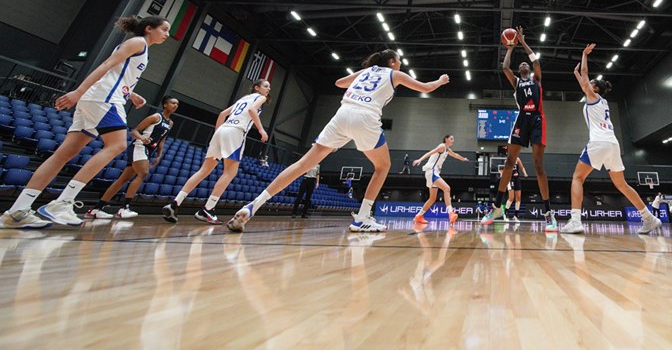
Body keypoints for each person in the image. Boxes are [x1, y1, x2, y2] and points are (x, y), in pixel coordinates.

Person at [226, 49, 449, 233]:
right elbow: (426, 87)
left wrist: (360, 78)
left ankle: (252, 206)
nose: (400, 64)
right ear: (392, 62)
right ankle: (362, 218)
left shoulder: (366, 71)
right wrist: (440, 80)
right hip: (366, 116)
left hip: (342, 114)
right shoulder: (394, 74)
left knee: (302, 164)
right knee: (383, 166)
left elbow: (339, 82)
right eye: (399, 60)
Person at [1, 15, 170, 229]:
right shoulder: (138, 43)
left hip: (98, 97)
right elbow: (106, 65)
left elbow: (117, 74)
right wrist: (78, 91)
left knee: (64, 154)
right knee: (117, 145)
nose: (167, 34)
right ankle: (63, 202)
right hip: (104, 98)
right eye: (164, 29)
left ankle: (17, 211)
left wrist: (131, 94)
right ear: (149, 28)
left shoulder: (141, 49)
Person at [561, 44, 661, 235]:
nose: (586, 82)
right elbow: (583, 80)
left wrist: (584, 55)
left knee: (577, 177)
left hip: (599, 142)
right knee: (622, 184)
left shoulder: (593, 96)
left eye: (590, 82)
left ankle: (575, 221)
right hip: (613, 144)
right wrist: (576, 74)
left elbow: (585, 74)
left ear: (595, 88)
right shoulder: (602, 101)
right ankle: (649, 218)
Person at [162, 80, 270, 224]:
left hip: (222, 130)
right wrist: (261, 130)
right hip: (236, 132)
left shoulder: (244, 98)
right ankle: (208, 209)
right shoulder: (260, 98)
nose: (268, 89)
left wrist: (218, 133)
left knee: (203, 170)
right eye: (266, 86)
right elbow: (252, 110)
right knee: (230, 172)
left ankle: (175, 203)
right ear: (256, 88)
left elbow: (222, 114)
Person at [482, 27, 556, 232]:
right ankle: (497, 207)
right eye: (521, 64)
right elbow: (505, 68)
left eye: (526, 64)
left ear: (529, 70)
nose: (523, 64)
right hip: (521, 119)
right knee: (509, 162)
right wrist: (510, 48)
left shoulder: (536, 79)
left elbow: (536, 62)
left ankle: (548, 213)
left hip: (537, 119)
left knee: (538, 165)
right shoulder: (516, 83)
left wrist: (522, 42)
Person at [86, 96, 179, 219]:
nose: (175, 105)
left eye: (177, 104)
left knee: (122, 179)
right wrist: (142, 138)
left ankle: (96, 209)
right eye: (173, 103)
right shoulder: (155, 117)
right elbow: (135, 131)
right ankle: (124, 208)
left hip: (149, 151)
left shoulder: (170, 123)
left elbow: (162, 139)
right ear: (165, 105)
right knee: (143, 173)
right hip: (139, 146)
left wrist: (159, 155)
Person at [412, 134, 470, 225]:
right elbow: (430, 152)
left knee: (432, 198)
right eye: (451, 138)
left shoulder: (447, 149)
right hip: (431, 171)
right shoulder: (442, 146)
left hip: (433, 173)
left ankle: (418, 216)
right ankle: (450, 213)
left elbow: (455, 155)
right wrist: (420, 159)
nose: (453, 140)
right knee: (447, 188)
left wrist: (463, 159)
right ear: (446, 139)